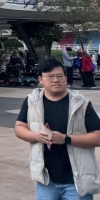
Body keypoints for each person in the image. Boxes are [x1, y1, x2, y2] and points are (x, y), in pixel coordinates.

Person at [15, 57, 100, 199]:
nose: (56, 80)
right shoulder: (32, 102)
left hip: (76, 182)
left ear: (66, 78)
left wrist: (66, 139)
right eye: (50, 76)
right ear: (40, 80)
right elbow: (19, 128)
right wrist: (36, 136)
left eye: (60, 76)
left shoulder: (82, 104)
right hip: (46, 181)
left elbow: (98, 136)